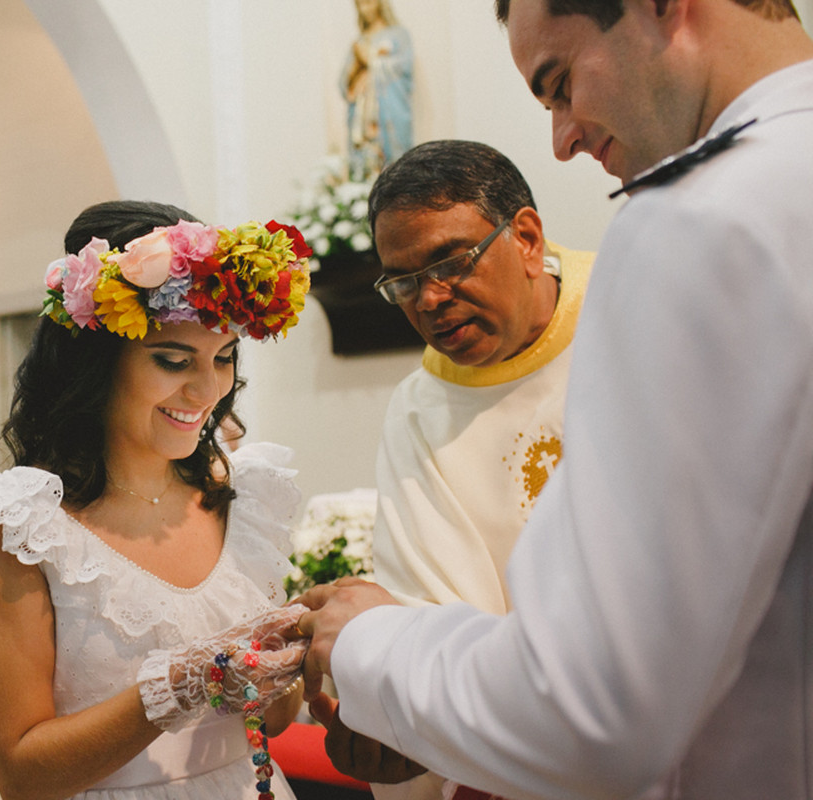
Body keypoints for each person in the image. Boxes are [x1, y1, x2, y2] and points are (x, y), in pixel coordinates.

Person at [294, 1, 813, 798]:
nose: (565, 138)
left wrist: (364, 640)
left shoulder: (697, 225)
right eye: (405, 283)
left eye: (561, 82)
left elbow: (594, 713)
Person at [0, 200, 313, 800]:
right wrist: (172, 690)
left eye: (224, 357)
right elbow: (22, 774)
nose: (207, 389)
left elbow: (269, 722)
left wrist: (280, 671)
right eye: (173, 360)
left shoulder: (243, 497)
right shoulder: (19, 528)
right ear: (96, 365)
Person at [317, 139, 593, 800]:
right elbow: (429, 605)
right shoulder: (419, 414)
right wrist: (397, 716)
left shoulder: (631, 318)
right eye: (404, 281)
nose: (431, 298)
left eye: (451, 261)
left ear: (526, 238)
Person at [341, 0, 414, 180]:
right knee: (363, 159)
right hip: (362, 110)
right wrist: (355, 72)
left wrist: (371, 60)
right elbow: (344, 82)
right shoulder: (359, 41)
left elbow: (403, 67)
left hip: (389, 109)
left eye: (369, 3)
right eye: (360, 5)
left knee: (396, 168)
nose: (365, 9)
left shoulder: (398, 35)